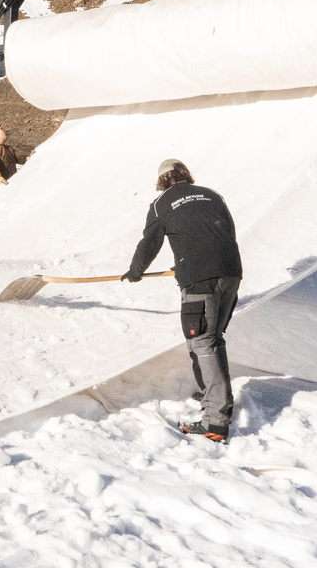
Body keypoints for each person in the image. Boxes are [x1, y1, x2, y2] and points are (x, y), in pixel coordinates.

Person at [124, 159, 243, 443]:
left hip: (200, 280)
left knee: (202, 343)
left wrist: (136, 270)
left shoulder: (161, 204)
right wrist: (188, 261)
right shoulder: (212, 195)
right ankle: (213, 398)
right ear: (186, 175)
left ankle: (215, 422)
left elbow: (150, 242)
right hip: (231, 272)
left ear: (162, 181)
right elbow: (225, 232)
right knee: (213, 339)